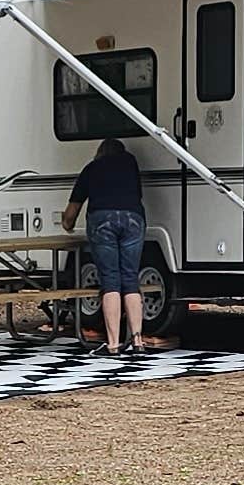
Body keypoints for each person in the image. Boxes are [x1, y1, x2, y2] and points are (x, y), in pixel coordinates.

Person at [61, 124, 154, 355]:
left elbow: (71, 213)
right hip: (133, 218)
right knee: (130, 278)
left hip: (102, 220)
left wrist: (67, 224)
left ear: (100, 152)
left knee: (111, 279)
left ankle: (113, 344)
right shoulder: (131, 164)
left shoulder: (92, 168)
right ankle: (138, 341)